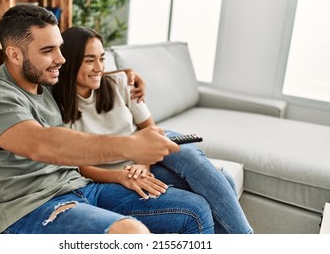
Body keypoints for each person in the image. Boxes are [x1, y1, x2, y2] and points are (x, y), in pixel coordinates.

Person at [0, 4, 219, 234]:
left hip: (82, 187)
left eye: (60, 48)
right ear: (15, 54)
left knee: (194, 209)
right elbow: (43, 144)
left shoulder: (44, 82)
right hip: (31, 210)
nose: (60, 59)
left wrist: (125, 74)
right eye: (48, 50)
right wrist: (132, 145)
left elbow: (85, 74)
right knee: (130, 233)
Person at [52, 26, 253, 234]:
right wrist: (122, 176)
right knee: (224, 180)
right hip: (122, 172)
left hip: (148, 152)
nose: (99, 67)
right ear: (70, 61)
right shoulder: (57, 107)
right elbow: (79, 166)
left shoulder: (119, 83)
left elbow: (151, 130)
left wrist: (143, 162)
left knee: (191, 161)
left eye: (102, 58)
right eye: (89, 60)